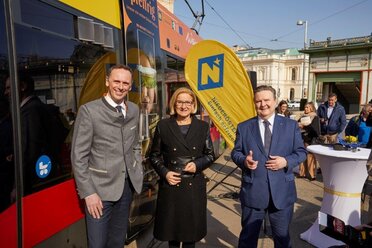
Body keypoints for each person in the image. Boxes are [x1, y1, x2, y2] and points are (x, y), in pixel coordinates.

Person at [71, 64, 143, 248]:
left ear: (130, 85)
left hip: (126, 189)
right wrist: (89, 193)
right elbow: (78, 156)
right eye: (116, 81)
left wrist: (137, 169)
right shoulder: (89, 111)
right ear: (107, 82)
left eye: (125, 83)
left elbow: (135, 145)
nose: (120, 86)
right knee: (98, 244)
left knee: (117, 242)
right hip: (99, 193)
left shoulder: (134, 110)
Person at [231, 85, 307, 248]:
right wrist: (244, 161)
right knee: (247, 239)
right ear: (254, 103)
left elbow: (301, 152)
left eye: (266, 100)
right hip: (253, 192)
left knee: (282, 238)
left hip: (281, 193)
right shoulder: (244, 127)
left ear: (275, 101)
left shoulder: (290, 125)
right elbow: (235, 152)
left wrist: (286, 161)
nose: (263, 104)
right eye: (258, 101)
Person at [149, 87, 215, 248]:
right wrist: (165, 173)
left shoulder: (202, 127)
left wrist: (198, 164)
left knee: (189, 236)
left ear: (193, 105)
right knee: (172, 234)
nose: (183, 106)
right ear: (174, 103)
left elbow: (210, 155)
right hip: (171, 185)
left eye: (187, 102)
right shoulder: (163, 126)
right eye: (180, 102)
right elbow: (154, 155)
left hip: (193, 186)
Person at [297, 102, 320, 180]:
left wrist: (305, 126)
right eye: (305, 107)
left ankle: (311, 175)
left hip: (310, 140)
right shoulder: (303, 116)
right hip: (302, 139)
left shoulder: (315, 117)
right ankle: (302, 173)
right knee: (302, 156)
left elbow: (316, 131)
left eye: (307, 107)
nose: (305, 108)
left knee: (310, 157)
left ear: (311, 108)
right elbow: (297, 124)